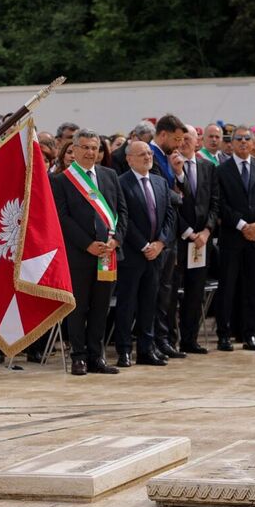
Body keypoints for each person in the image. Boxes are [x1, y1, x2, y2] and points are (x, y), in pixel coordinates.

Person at [51, 128, 127, 376]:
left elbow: (122, 212)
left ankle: (97, 356)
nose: (90, 152)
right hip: (79, 254)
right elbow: (63, 218)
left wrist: (116, 240)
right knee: (79, 307)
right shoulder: (62, 180)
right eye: (85, 147)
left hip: (108, 254)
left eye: (94, 148)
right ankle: (79, 357)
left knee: (100, 306)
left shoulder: (109, 175)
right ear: (74, 149)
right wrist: (87, 244)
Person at [215, 126, 255, 352]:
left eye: (247, 139)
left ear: (252, 143)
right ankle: (224, 334)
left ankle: (251, 334)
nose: (243, 142)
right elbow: (220, 204)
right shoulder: (221, 171)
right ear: (231, 143)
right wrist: (241, 225)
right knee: (228, 287)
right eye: (238, 139)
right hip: (233, 236)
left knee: (254, 286)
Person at [114, 140, 174, 367]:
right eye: (142, 154)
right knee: (127, 304)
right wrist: (144, 245)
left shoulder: (159, 182)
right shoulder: (121, 183)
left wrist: (160, 243)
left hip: (156, 254)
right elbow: (123, 218)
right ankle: (124, 350)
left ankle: (146, 349)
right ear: (129, 159)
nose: (148, 157)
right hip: (132, 255)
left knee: (150, 303)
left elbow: (169, 215)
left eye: (149, 153)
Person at [173, 126, 219, 355]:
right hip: (180, 239)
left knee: (195, 291)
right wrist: (188, 231)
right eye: (179, 139)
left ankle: (190, 338)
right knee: (171, 291)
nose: (183, 143)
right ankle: (170, 339)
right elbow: (171, 206)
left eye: (188, 139)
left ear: (196, 141)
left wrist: (207, 231)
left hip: (202, 240)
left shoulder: (208, 167)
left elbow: (214, 202)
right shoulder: (170, 167)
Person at [149, 115, 187, 360]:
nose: (178, 145)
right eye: (175, 139)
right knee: (153, 293)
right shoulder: (150, 156)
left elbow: (180, 193)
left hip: (170, 235)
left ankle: (163, 339)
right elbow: (166, 195)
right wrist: (176, 194)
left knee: (166, 292)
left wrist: (179, 175)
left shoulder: (169, 159)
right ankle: (152, 340)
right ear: (162, 135)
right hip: (154, 236)